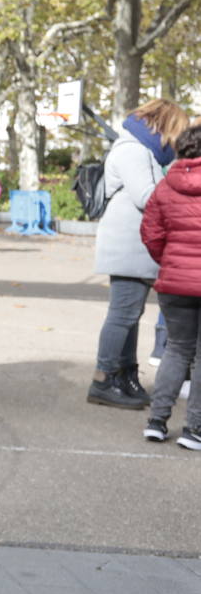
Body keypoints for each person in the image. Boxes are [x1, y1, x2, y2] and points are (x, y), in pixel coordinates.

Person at [89, 99, 189, 410]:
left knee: (131, 315)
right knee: (123, 314)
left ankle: (124, 375)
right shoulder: (132, 150)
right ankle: (103, 378)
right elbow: (147, 195)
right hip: (127, 244)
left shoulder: (144, 150)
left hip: (137, 244)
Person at [141, 119, 201, 448]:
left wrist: (169, 261)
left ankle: (157, 421)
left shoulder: (166, 185)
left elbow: (150, 233)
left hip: (174, 282)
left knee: (176, 350)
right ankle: (195, 429)